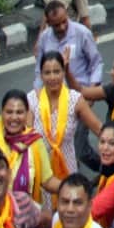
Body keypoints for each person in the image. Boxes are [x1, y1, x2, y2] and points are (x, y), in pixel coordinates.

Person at [0, 34, 57, 208]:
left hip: (24, 218)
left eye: (19, 112)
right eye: (9, 112)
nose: (14, 117)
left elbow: (47, 180)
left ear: (27, 114)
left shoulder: (34, 142)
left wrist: (72, 187)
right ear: (1, 113)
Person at [29, 49, 102, 181]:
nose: (52, 77)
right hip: (41, 175)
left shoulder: (75, 100)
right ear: (41, 75)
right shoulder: (32, 100)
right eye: (47, 73)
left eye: (57, 71)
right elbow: (25, 138)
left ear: (64, 72)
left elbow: (99, 129)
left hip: (68, 172)